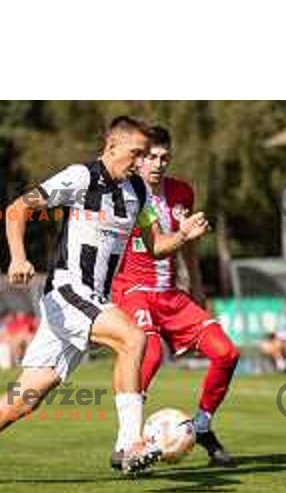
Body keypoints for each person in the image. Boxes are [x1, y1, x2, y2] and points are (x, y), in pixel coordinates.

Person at [0, 116, 210, 487]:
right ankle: (129, 445)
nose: (140, 162)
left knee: (23, 400)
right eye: (135, 154)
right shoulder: (80, 177)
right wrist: (18, 257)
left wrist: (182, 234)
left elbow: (156, 246)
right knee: (134, 338)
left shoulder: (138, 190)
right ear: (111, 147)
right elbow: (17, 209)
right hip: (68, 292)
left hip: (89, 301)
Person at [111, 125, 240, 468]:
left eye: (164, 157)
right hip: (133, 292)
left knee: (226, 353)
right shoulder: (125, 192)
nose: (158, 164)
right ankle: (128, 442)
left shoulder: (182, 192)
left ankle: (202, 426)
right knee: (149, 354)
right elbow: (156, 245)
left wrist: (196, 284)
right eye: (151, 157)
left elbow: (188, 245)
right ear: (137, 158)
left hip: (171, 295)